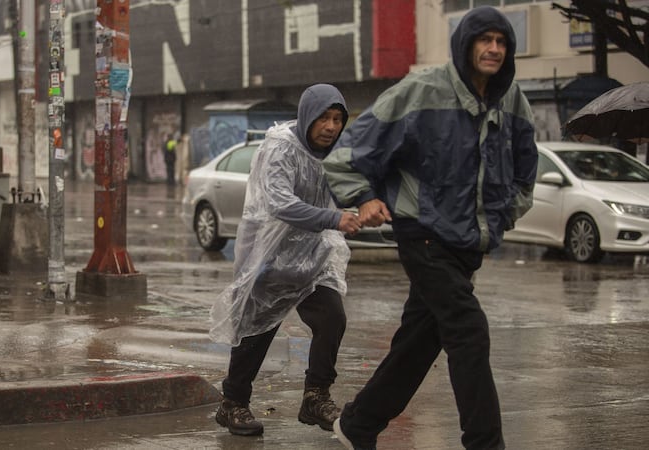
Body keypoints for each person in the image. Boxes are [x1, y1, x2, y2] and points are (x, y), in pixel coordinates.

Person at [322, 7, 538, 450]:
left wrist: (501, 218)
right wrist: (366, 198)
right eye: (485, 40)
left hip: (468, 244)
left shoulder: (512, 99)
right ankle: (485, 443)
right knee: (468, 330)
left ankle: (359, 424)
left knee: (419, 343)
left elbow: (525, 173)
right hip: (422, 234)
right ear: (465, 44)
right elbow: (346, 157)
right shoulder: (421, 91)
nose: (494, 48)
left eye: (502, 41)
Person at [209, 84, 362, 436]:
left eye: (338, 119)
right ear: (308, 115)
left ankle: (315, 396)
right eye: (324, 117)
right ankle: (233, 404)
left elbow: (350, 184)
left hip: (312, 257)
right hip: (269, 255)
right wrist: (333, 219)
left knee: (332, 318)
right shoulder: (280, 147)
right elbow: (279, 201)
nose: (331, 126)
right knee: (255, 332)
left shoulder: (335, 153)